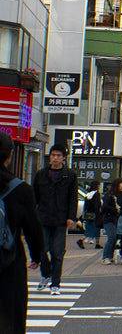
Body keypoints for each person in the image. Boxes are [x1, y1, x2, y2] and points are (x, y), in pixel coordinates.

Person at [0, 131, 44, 329]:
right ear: (9, 156)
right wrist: (37, 255)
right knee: (11, 316)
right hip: (9, 261)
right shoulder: (20, 189)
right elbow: (33, 228)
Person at [31, 143, 78, 295]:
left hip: (60, 219)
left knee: (57, 252)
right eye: (53, 155)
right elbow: (34, 197)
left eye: (58, 156)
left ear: (63, 158)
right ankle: (46, 275)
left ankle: (55, 284)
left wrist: (71, 217)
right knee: (41, 249)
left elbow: (73, 198)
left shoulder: (69, 175)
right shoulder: (41, 174)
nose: (55, 158)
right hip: (42, 217)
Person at [100, 179, 122, 265]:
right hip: (108, 219)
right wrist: (115, 209)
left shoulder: (120, 195)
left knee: (115, 237)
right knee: (112, 237)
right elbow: (104, 208)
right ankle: (105, 257)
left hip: (115, 219)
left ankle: (110, 256)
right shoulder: (109, 196)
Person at [77, 181, 102, 250]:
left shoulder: (88, 194)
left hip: (88, 214)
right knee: (95, 228)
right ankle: (82, 240)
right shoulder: (96, 194)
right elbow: (97, 205)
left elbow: (86, 206)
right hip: (95, 214)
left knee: (89, 228)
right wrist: (99, 213)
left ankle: (97, 243)